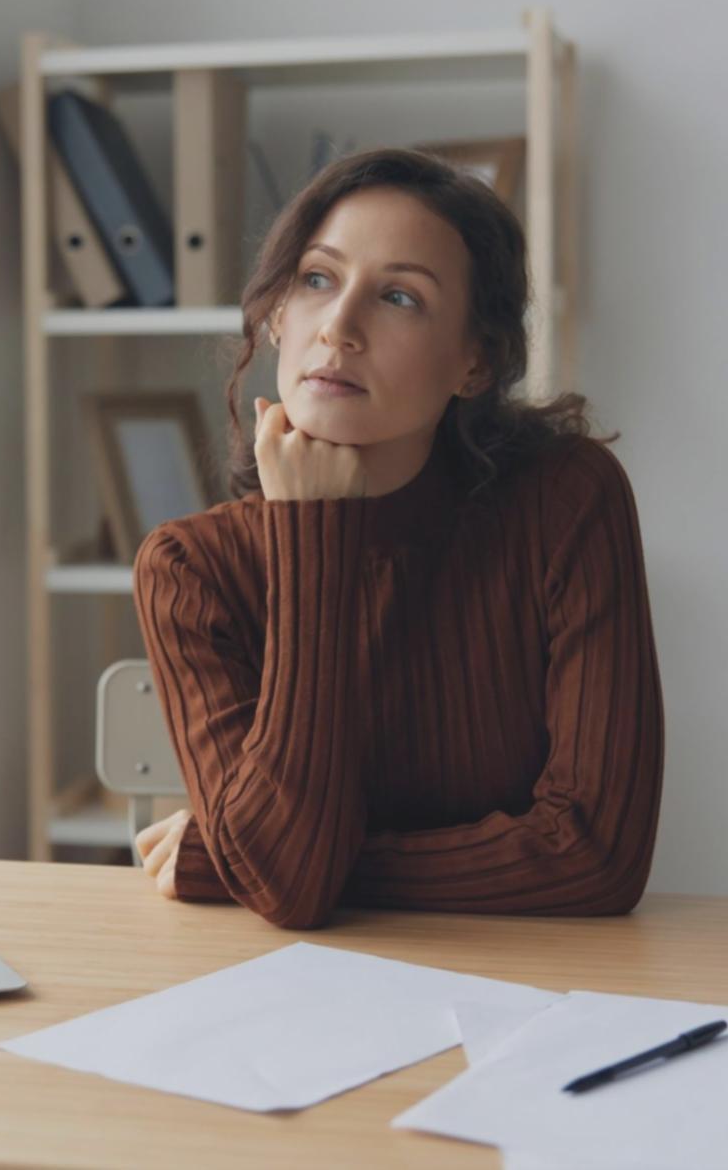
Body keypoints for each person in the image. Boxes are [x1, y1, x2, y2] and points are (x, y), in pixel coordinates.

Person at [130, 147, 663, 929]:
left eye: (400, 298)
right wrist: (313, 537)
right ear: (276, 315)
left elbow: (594, 857)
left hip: (532, 994)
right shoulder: (190, 568)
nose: (338, 329)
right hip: (287, 1004)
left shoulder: (564, 502)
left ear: (473, 362)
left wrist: (237, 858)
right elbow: (287, 891)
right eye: (317, 280)